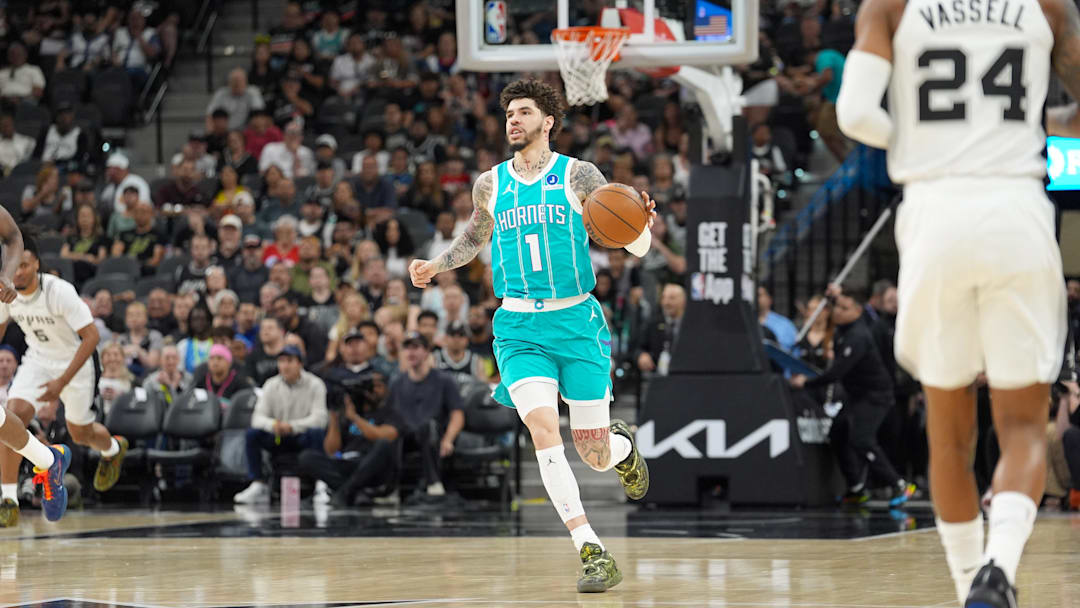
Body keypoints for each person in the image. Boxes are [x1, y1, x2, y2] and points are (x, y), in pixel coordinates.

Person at [837, 0, 1078, 604]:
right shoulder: (1048, 6)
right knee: (1023, 425)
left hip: (935, 213)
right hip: (1017, 210)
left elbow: (855, 113)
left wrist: (924, 141)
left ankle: (970, 582)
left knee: (949, 436)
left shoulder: (890, 6)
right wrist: (1040, 126)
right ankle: (1000, 566)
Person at [408, 78, 655, 592]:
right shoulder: (490, 183)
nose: (513, 121)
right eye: (509, 114)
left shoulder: (579, 174)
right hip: (518, 326)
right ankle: (591, 550)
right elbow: (474, 236)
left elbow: (635, 246)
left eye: (523, 112)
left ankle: (622, 449)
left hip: (576, 322)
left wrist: (640, 226)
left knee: (594, 453)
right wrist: (435, 264)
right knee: (544, 431)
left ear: (548, 121)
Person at [0, 230, 128, 526]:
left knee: (80, 433)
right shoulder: (7, 293)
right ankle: (8, 499)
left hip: (75, 361)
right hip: (38, 359)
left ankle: (113, 448)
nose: (19, 272)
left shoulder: (59, 291)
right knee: (12, 417)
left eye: (24, 265)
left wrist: (61, 383)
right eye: (14, 266)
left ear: (36, 264)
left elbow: (92, 337)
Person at [789, 286, 916, 505]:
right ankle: (857, 487)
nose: (838, 312)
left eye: (844, 308)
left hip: (875, 395)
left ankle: (900, 485)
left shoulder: (858, 336)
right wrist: (833, 295)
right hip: (855, 394)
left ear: (857, 311)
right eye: (837, 307)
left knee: (861, 439)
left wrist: (806, 382)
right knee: (837, 432)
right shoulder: (843, 331)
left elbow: (837, 372)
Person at [233, 345, 327, 503]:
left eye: (289, 361)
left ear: (300, 363)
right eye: (281, 361)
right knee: (252, 434)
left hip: (301, 436)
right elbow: (257, 418)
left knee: (316, 432)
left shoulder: (315, 384)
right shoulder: (271, 384)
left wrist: (292, 426)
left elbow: (320, 418)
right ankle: (258, 483)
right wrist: (273, 424)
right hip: (278, 437)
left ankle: (321, 484)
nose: (285, 365)